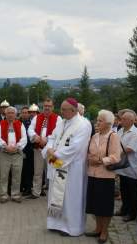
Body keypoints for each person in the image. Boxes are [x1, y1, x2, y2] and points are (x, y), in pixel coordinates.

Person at [43, 98, 92, 236]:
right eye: (61, 109)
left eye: (64, 109)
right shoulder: (62, 122)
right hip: (57, 163)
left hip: (72, 168)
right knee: (56, 195)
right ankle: (55, 223)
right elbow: (52, 137)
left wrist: (54, 154)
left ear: (74, 110)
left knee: (70, 198)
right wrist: (49, 149)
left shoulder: (84, 124)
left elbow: (75, 147)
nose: (61, 112)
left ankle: (71, 227)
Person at [85, 110, 121, 243]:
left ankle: (104, 231)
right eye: (97, 120)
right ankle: (97, 228)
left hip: (105, 176)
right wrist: (90, 158)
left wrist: (100, 160)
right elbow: (88, 153)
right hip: (92, 174)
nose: (97, 122)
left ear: (108, 123)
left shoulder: (113, 136)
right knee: (95, 204)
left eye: (100, 120)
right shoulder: (94, 136)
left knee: (105, 205)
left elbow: (116, 157)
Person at [27, 98, 62, 199]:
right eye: (45, 106)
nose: (47, 108)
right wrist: (35, 136)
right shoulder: (37, 117)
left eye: (49, 106)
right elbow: (30, 129)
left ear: (53, 107)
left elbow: (59, 134)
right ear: (43, 107)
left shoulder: (58, 118)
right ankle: (36, 192)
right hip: (38, 150)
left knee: (54, 170)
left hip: (52, 152)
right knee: (37, 172)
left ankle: (54, 193)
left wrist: (47, 139)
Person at [0, 106, 27, 203]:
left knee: (17, 176)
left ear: (15, 114)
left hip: (17, 153)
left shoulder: (20, 124)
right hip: (4, 153)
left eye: (12, 113)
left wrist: (17, 146)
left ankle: (15, 194)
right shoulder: (0, 124)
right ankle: (4, 195)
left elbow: (24, 138)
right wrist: (5, 146)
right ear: (5, 114)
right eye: (8, 113)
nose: (10, 114)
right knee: (3, 176)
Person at [115, 110, 137, 222]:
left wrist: (115, 152)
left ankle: (132, 213)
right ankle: (124, 209)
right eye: (122, 119)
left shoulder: (136, 132)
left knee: (133, 192)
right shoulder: (120, 130)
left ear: (131, 120)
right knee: (124, 189)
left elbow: (129, 149)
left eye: (125, 119)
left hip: (132, 166)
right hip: (123, 167)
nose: (122, 121)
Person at [20, 106, 34, 196]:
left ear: (29, 114)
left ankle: (28, 188)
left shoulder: (31, 123)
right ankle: (21, 187)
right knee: (21, 170)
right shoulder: (18, 122)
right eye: (23, 112)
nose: (25, 114)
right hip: (20, 149)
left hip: (29, 149)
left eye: (26, 112)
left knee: (28, 170)